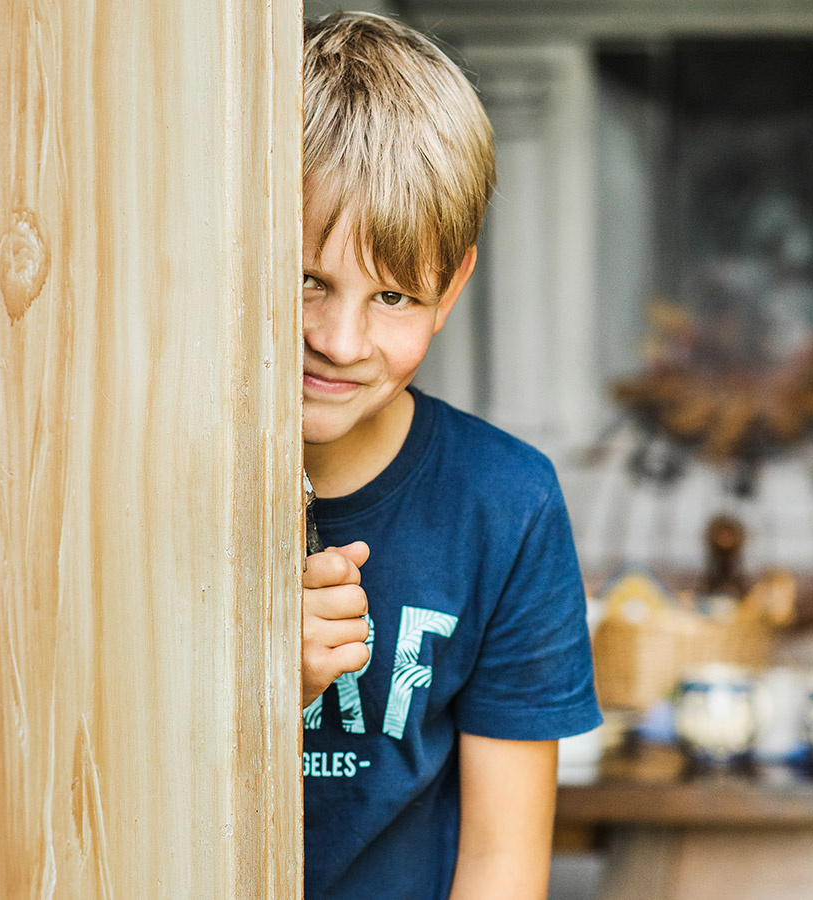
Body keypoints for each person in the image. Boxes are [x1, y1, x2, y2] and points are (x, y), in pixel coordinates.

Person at [298, 12, 602, 899]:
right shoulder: (147, 488)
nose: (340, 338)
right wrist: (254, 683)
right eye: (305, 279)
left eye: (392, 295)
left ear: (452, 288)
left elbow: (504, 862)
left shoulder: (506, 505)